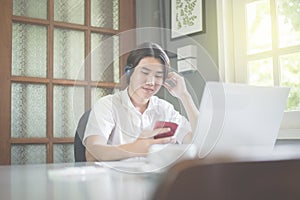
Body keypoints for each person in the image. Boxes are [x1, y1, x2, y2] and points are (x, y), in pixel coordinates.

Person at [83, 42, 199, 161]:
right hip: (116, 177)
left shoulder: (165, 109)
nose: (151, 82)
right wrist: (134, 148)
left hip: (155, 178)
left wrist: (184, 96)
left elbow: (199, 142)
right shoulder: (107, 105)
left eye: (158, 75)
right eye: (145, 72)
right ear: (129, 72)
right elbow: (92, 153)